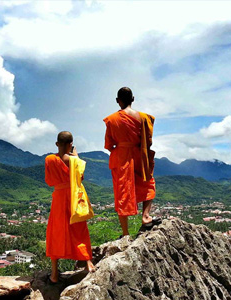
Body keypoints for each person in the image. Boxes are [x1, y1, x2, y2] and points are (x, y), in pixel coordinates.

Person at [103, 87, 160, 237]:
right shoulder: (144, 118)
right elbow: (148, 141)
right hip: (140, 155)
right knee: (147, 183)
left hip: (121, 158)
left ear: (117, 101)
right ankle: (146, 217)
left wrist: (122, 148)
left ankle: (125, 233)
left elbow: (109, 144)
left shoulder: (112, 120)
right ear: (133, 99)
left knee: (122, 192)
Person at [45, 131, 95, 283]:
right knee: (79, 229)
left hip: (59, 198)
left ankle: (54, 274)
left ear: (56, 144)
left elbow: (49, 181)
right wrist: (76, 157)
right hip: (74, 197)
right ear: (71, 144)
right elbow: (81, 178)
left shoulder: (49, 159)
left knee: (56, 231)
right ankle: (88, 264)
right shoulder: (75, 161)